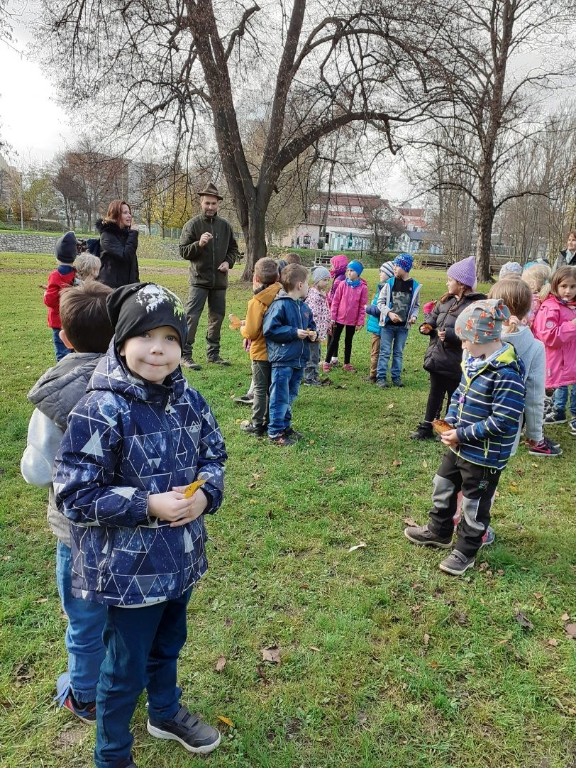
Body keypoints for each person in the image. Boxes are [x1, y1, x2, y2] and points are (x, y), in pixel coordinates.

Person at [53, 282, 227, 767]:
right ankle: (112, 755)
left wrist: (206, 494)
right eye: (145, 336)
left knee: (169, 644)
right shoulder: (100, 409)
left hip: (180, 558)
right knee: (123, 671)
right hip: (128, 573)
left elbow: (214, 455)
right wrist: (146, 504)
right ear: (121, 340)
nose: (158, 349)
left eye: (170, 337)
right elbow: (75, 494)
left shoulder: (190, 400)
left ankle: (164, 712)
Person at [21, 282, 114, 724]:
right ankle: (118, 679)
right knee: (117, 610)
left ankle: (85, 695)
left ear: (65, 336)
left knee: (83, 617)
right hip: (127, 523)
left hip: (75, 531)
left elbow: (38, 470)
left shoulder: (54, 393)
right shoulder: (137, 381)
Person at [404, 299, 526, 576]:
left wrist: (462, 434)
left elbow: (503, 421)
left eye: (465, 340)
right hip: (459, 447)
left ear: (482, 338)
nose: (463, 345)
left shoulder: (506, 374)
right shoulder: (473, 362)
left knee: (474, 503)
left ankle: (466, 550)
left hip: (484, 456)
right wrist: (450, 423)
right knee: (443, 484)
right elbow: (459, 395)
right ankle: (439, 530)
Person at [410, 256, 485, 439]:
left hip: (456, 360)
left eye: (450, 280)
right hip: (438, 356)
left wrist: (451, 335)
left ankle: (448, 428)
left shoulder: (474, 306)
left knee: (454, 396)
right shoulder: (446, 301)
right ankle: (427, 426)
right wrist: (426, 326)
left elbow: (473, 332)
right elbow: (433, 318)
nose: (447, 283)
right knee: (435, 393)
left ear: (461, 284)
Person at [488, 278, 561, 456]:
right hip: (507, 427)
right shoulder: (535, 347)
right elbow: (535, 397)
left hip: (472, 421)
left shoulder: (478, 337)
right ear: (528, 308)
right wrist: (535, 433)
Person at [179, 182, 239, 369]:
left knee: (217, 317)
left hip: (219, 281)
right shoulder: (192, 225)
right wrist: (199, 244)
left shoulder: (225, 226)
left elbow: (234, 249)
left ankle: (213, 354)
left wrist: (228, 262)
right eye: (207, 203)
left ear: (218, 204)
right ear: (201, 202)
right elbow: (183, 251)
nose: (210, 207)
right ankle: (185, 355)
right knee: (192, 317)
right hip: (199, 280)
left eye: (213, 203)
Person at [263, 264, 316, 446]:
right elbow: (270, 329)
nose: (309, 287)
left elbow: (311, 325)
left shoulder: (304, 307)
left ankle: (285, 426)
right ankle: (275, 432)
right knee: (280, 397)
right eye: (307, 283)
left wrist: (312, 333)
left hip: (298, 360)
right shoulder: (280, 305)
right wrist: (294, 332)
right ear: (300, 285)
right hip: (283, 360)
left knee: (290, 395)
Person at [239, 257, 282, 437]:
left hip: (260, 353)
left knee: (259, 389)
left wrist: (243, 329)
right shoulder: (282, 297)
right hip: (278, 352)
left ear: (256, 278)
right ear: (277, 277)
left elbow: (251, 332)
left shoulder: (256, 302)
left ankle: (257, 424)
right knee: (273, 388)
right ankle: (270, 420)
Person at [533, 265, 576, 432]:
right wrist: (572, 326)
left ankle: (570, 414)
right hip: (556, 360)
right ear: (555, 285)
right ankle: (554, 414)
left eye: (573, 286)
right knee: (555, 387)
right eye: (564, 286)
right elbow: (549, 336)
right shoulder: (551, 307)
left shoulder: (571, 305)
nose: (568, 291)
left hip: (571, 358)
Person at [375, 253, 421, 387]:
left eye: (397, 266)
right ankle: (381, 377)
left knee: (398, 353)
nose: (394, 268)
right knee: (384, 352)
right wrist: (389, 313)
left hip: (403, 328)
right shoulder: (389, 283)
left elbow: (416, 306)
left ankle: (396, 377)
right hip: (387, 326)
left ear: (405, 268)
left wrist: (414, 316)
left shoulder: (415, 286)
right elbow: (380, 302)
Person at [323, 260, 368, 373]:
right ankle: (327, 362)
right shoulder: (342, 284)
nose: (349, 273)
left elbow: (362, 306)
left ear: (358, 273)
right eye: (348, 270)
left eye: (352, 270)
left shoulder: (363, 288)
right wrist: (333, 317)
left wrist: (360, 321)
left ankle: (346, 363)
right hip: (339, 319)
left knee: (349, 341)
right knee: (334, 340)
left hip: (352, 320)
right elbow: (335, 301)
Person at [44, 231, 78, 361]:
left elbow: (50, 301)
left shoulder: (55, 275)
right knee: (74, 350)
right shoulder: (77, 274)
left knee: (62, 353)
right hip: (73, 319)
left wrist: (46, 294)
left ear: (57, 256)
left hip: (58, 322)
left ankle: (63, 371)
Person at [96, 200, 139, 289]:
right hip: (110, 288)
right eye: (125, 213)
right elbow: (125, 255)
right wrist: (133, 234)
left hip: (127, 287)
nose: (129, 216)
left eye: (129, 213)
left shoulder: (127, 235)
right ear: (115, 215)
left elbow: (133, 265)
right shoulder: (107, 236)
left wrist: (136, 284)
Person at [365, 261, 395, 383]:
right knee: (378, 351)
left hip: (380, 326)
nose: (380, 274)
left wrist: (368, 308)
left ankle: (374, 374)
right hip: (378, 326)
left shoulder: (387, 290)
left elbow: (381, 310)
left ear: (389, 274)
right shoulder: (383, 287)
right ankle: (377, 373)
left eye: (382, 272)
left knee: (376, 351)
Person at [303, 266, 331, 385]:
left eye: (328, 280)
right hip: (314, 332)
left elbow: (324, 311)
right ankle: (309, 378)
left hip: (319, 331)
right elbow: (313, 315)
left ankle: (313, 375)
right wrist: (313, 331)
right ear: (317, 280)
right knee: (312, 355)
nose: (327, 282)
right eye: (324, 280)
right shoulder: (313, 296)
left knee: (316, 354)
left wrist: (328, 323)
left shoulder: (321, 295)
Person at [325, 254, 349, 367]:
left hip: (335, 312)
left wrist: (325, 296)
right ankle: (334, 357)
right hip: (339, 312)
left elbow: (335, 298)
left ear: (339, 266)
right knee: (334, 335)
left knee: (332, 336)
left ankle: (330, 359)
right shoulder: (342, 278)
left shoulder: (338, 280)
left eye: (333, 266)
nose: (331, 268)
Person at [522, 262, 551, 328]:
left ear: (532, 284)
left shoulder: (531, 301)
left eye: (523, 283)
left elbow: (526, 322)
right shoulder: (546, 297)